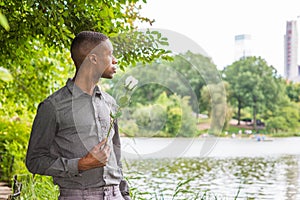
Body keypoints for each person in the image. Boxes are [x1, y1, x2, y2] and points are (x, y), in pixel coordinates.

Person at [26, 31, 131, 200]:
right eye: (110, 54)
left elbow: (116, 154)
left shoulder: (110, 103)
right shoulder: (52, 106)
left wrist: (124, 194)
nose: (115, 60)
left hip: (116, 195)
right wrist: (80, 165)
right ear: (93, 59)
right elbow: (34, 161)